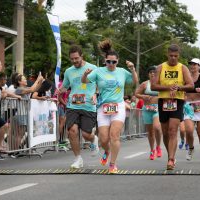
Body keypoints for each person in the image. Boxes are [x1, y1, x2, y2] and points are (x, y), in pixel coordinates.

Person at [81, 39, 138, 174]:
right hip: (103, 107)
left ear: (117, 62)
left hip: (118, 106)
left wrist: (132, 69)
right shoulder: (99, 71)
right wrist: (85, 74)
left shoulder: (122, 72)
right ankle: (106, 151)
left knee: (114, 135)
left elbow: (135, 81)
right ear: (105, 61)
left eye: (114, 62)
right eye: (109, 62)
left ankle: (113, 164)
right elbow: (84, 81)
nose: (111, 64)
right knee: (104, 139)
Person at [151, 44, 194, 170]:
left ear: (178, 56)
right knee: (165, 132)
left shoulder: (183, 68)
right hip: (163, 101)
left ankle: (170, 159)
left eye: (176, 56)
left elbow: (190, 85)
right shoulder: (160, 67)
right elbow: (154, 86)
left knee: (172, 130)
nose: (173, 58)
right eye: (171, 56)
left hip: (177, 101)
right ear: (167, 55)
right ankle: (171, 155)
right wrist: (169, 87)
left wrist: (179, 87)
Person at [58, 45, 99, 169]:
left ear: (82, 56)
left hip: (88, 105)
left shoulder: (93, 68)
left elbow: (99, 84)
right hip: (73, 105)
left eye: (76, 58)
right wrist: (60, 90)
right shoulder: (68, 71)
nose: (74, 61)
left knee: (86, 135)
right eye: (72, 59)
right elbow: (65, 86)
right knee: (72, 131)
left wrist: (96, 94)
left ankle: (93, 139)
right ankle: (78, 159)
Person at [135, 66, 162, 160]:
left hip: (158, 108)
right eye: (151, 72)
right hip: (147, 109)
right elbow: (136, 93)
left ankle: (158, 146)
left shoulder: (160, 83)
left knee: (157, 128)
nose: (152, 74)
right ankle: (152, 150)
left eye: (154, 72)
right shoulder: (145, 84)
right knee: (150, 132)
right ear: (148, 74)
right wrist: (143, 96)